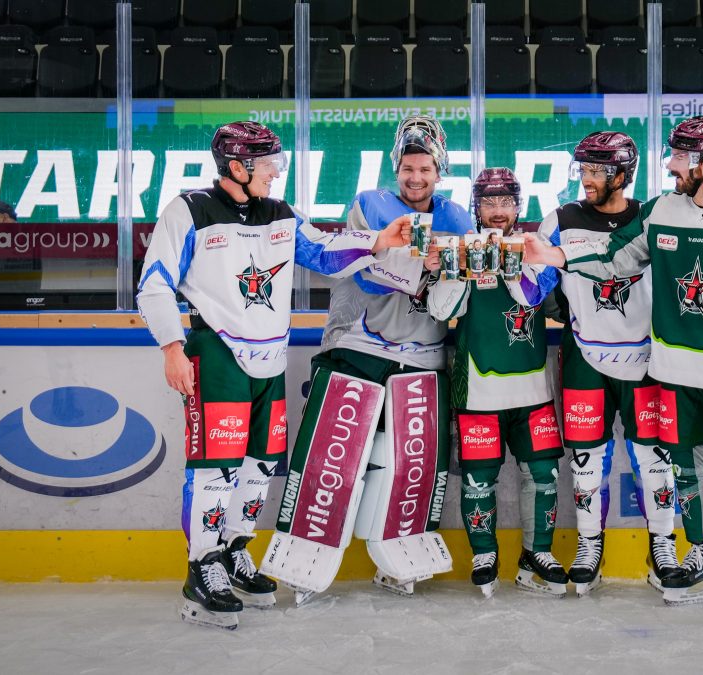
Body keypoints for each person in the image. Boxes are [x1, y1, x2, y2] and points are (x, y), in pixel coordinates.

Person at [523, 116, 703, 624]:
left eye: (679, 157)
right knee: (688, 470)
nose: (670, 165)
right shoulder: (661, 210)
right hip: (674, 370)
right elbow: (617, 260)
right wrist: (559, 255)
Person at [137, 121, 409, 630]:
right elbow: (154, 283)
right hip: (215, 352)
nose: (275, 174)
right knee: (215, 468)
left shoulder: (280, 214)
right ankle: (202, 566)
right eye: (268, 166)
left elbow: (324, 251)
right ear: (237, 167)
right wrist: (172, 349)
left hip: (270, 358)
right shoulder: (189, 210)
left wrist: (377, 242)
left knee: (261, 465)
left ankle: (236, 550)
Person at [311, 114, 471, 595]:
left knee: (411, 464)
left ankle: (397, 551)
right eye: (407, 167)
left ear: (439, 171)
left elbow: (459, 298)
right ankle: (314, 550)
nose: (415, 177)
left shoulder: (458, 218)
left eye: (425, 168)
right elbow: (363, 272)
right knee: (340, 458)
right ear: (395, 167)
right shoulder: (369, 204)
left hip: (423, 357)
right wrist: (424, 267)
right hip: (360, 348)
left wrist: (454, 279)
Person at [539, 132, 678, 596]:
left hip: (645, 358)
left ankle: (663, 546)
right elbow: (535, 280)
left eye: (596, 171)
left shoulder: (652, 218)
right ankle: (589, 545)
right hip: (584, 356)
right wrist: (555, 305)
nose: (587, 179)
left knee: (653, 458)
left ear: (622, 174)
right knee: (585, 460)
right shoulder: (560, 219)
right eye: (583, 170)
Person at [427, 167, 566, 597]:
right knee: (478, 478)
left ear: (518, 206)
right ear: (477, 207)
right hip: (479, 389)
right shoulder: (462, 250)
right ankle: (484, 553)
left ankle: (536, 551)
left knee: (543, 474)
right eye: (489, 202)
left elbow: (532, 296)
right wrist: (454, 268)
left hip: (533, 391)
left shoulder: (536, 248)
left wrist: (510, 260)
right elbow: (438, 310)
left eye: (506, 201)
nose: (498, 210)